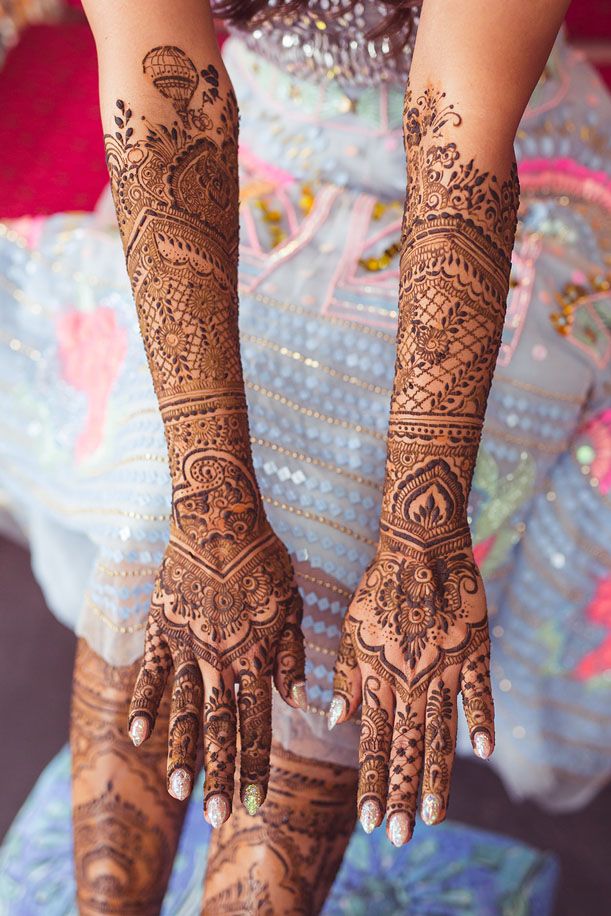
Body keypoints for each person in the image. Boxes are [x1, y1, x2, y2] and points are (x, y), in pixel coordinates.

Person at [3, 0, 610, 912]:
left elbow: (459, 139)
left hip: (509, 173)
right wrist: (213, 510)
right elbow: (165, 112)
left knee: (350, 517)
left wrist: (418, 536)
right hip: (250, 149)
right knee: (157, 508)